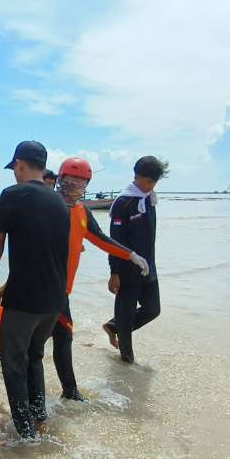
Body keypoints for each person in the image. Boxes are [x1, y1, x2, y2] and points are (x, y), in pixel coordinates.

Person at [0, 141, 69, 439]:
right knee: (34, 357)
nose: (14, 174)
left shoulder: (12, 195)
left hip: (25, 302)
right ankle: (39, 419)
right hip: (53, 301)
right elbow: (46, 259)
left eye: (14, 168)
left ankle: (24, 433)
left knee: (12, 362)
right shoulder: (59, 202)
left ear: (19, 164)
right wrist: (7, 287)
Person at [50, 158, 149, 400]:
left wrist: (131, 255)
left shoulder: (81, 210)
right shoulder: (49, 206)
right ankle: (69, 393)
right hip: (46, 286)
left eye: (82, 181)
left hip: (62, 289)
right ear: (61, 180)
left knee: (55, 336)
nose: (76, 185)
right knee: (61, 336)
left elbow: (101, 239)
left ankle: (66, 391)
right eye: (71, 180)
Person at [102, 156, 167, 363]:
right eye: (147, 181)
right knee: (126, 317)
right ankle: (127, 365)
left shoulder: (150, 198)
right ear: (136, 176)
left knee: (152, 310)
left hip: (148, 267)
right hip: (126, 270)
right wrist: (114, 273)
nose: (150, 186)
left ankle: (114, 326)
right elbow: (115, 241)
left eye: (154, 182)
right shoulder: (124, 202)